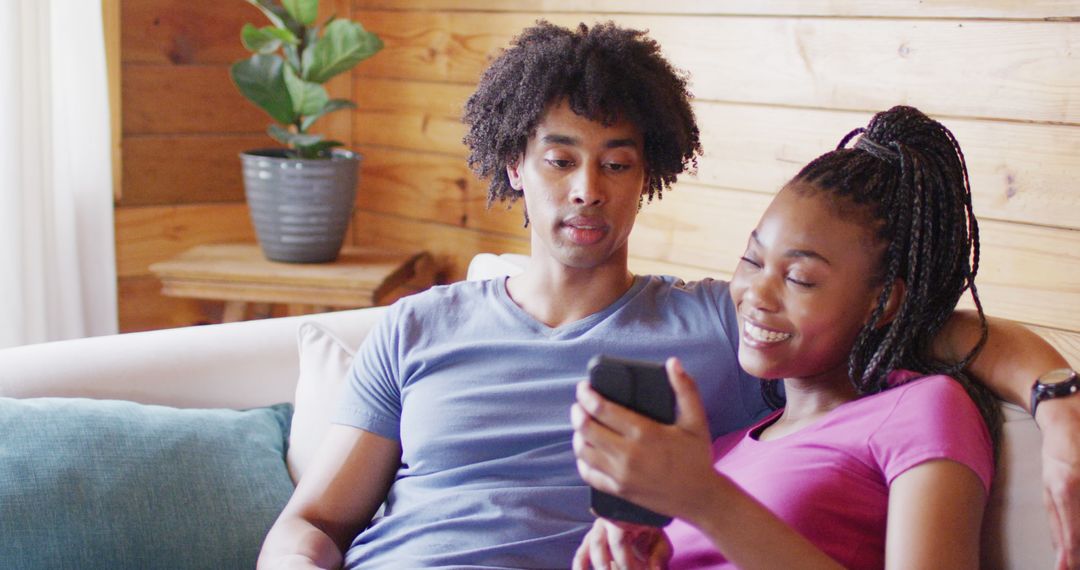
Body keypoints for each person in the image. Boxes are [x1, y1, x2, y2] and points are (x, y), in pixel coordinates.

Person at [257, 22, 1080, 570]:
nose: (587, 189)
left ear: (647, 177)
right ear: (514, 165)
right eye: (559, 159)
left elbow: (924, 330)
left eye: (616, 163)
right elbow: (315, 521)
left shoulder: (726, 328)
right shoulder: (416, 326)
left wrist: (1057, 399)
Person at [569, 106, 1044, 569]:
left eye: (799, 278)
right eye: (752, 260)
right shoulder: (725, 449)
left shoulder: (923, 408)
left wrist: (707, 501)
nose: (757, 293)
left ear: (884, 303)